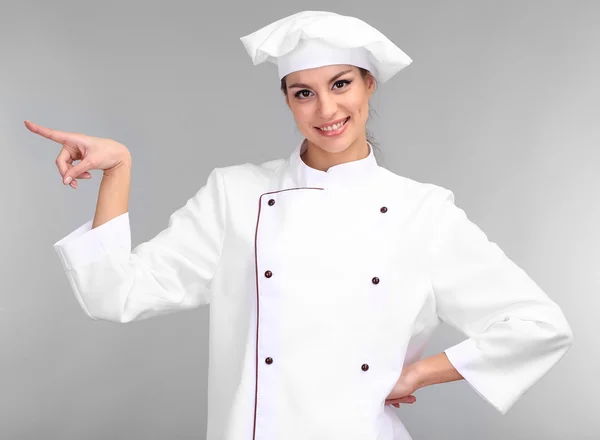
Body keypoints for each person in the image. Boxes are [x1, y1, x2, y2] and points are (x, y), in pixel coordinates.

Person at [27, 10, 573, 440]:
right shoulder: (236, 193)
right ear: (287, 100)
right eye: (304, 93)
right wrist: (118, 169)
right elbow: (113, 295)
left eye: (341, 85)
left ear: (369, 86)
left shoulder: (420, 211)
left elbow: (537, 324)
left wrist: (417, 373)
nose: (326, 109)